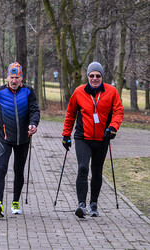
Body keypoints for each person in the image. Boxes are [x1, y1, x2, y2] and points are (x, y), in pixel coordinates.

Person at [62, 62, 124, 218]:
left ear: (102, 77)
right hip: (83, 137)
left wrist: (113, 128)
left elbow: (118, 112)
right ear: (87, 76)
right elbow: (70, 115)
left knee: (97, 171)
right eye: (92, 76)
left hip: (102, 138)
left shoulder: (111, 92)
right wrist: (66, 135)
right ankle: (81, 205)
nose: (95, 78)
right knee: (83, 168)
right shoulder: (79, 92)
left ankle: (93, 203)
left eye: (98, 76)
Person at [0, 62, 40, 218]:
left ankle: (15, 202)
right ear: (7, 77)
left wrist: (33, 124)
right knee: (1, 168)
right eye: (12, 77)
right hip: (4, 138)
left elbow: (34, 110)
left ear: (21, 78)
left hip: (23, 139)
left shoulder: (28, 91)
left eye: (17, 77)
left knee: (19, 171)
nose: (14, 81)